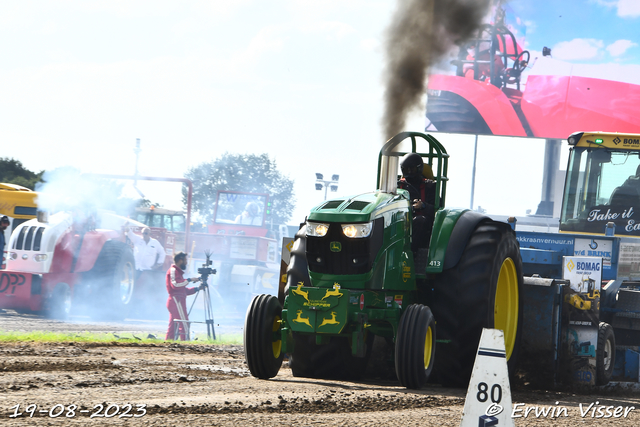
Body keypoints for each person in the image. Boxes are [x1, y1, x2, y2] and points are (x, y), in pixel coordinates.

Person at [397, 153, 436, 252]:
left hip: (420, 224)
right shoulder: (396, 186)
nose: (409, 172)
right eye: (406, 169)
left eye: (412, 169)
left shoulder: (429, 186)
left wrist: (423, 205)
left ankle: (410, 253)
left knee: (420, 221)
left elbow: (437, 209)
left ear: (419, 168)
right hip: (400, 218)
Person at [165, 252, 202, 341]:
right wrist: (189, 280)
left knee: (173, 326)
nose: (186, 263)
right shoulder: (173, 270)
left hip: (177, 300)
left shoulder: (178, 272)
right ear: (180, 260)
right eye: (185, 260)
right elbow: (175, 285)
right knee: (184, 323)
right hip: (176, 301)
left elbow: (183, 291)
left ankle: (168, 342)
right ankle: (185, 343)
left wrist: (197, 289)